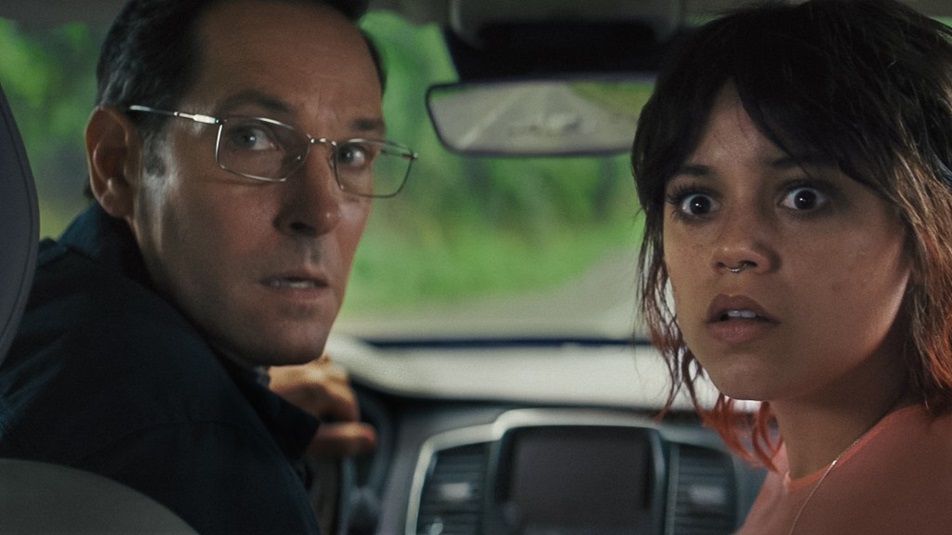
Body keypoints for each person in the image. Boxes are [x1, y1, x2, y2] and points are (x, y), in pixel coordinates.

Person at [0, 0, 416, 532]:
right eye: (251, 138)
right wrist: (227, 441)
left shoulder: (33, 310)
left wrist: (247, 406)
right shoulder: (193, 457)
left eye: (353, 153)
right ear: (117, 163)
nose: (321, 212)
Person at [631, 0, 952, 533]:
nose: (734, 248)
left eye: (804, 198)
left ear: (928, 235)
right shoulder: (821, 457)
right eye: (697, 203)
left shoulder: (926, 493)